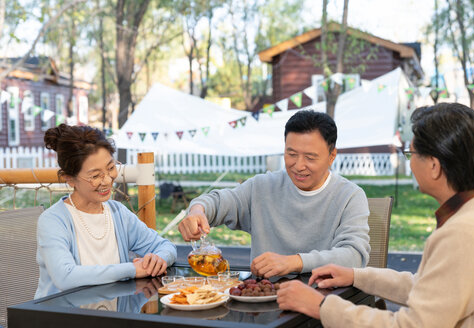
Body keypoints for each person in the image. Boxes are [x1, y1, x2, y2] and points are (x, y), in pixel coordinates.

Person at [276, 103, 474, 327]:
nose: (410, 162)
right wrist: (357, 276)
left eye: (411, 153)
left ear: (434, 166)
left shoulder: (466, 231)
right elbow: (432, 288)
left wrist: (320, 305)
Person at [177, 110, 370, 277]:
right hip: (263, 301)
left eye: (310, 157)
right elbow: (219, 202)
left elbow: (353, 256)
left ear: (331, 156)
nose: (299, 166)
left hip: (322, 303)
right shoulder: (262, 187)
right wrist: (197, 210)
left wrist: (293, 262)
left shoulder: (350, 196)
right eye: (291, 154)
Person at [35, 124, 177, 299]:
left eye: (110, 168)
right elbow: (65, 277)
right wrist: (133, 269)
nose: (108, 180)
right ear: (69, 179)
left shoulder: (118, 213)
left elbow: (166, 246)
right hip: (61, 318)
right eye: (95, 176)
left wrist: (158, 260)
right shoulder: (53, 221)